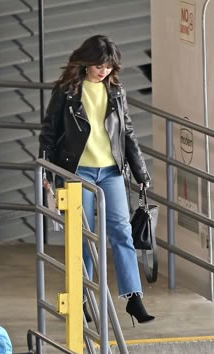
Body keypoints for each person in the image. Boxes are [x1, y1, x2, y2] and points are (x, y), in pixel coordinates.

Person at [39, 34, 155, 325]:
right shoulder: (66, 91)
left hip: (111, 171)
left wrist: (140, 172)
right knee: (83, 237)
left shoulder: (116, 91)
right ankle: (82, 300)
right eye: (99, 64)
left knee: (121, 233)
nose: (103, 69)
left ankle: (133, 298)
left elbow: (127, 133)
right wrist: (47, 173)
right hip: (78, 171)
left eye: (108, 65)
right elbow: (49, 133)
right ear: (86, 61)